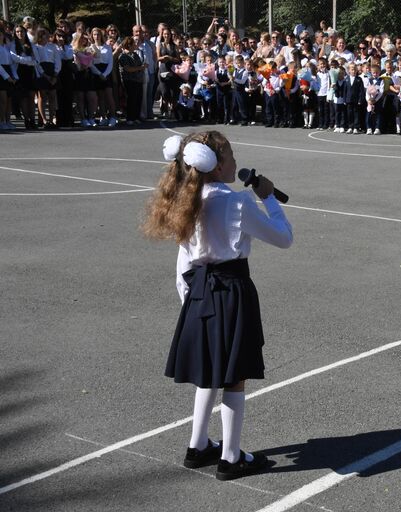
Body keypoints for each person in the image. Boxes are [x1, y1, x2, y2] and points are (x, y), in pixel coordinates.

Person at [144, 130, 292, 481]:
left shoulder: (188, 198)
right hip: (232, 291)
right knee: (235, 375)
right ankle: (230, 456)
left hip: (199, 292)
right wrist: (269, 198)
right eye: (231, 155)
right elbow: (283, 238)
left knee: (210, 368)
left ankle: (197, 446)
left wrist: (190, 300)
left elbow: (184, 262)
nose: (236, 162)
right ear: (216, 165)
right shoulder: (237, 202)